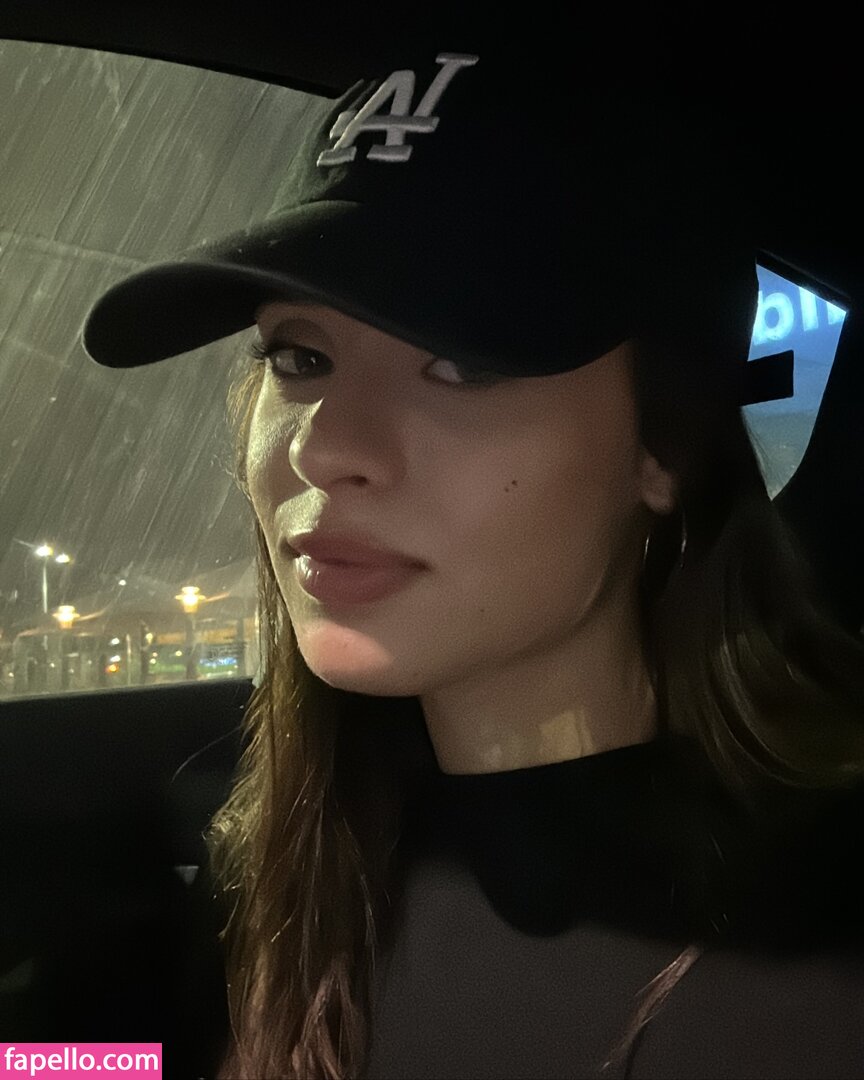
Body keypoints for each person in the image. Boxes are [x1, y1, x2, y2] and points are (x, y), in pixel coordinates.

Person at [83, 50, 864, 1080]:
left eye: (461, 363)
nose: (323, 446)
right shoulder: (275, 861)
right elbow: (105, 1064)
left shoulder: (824, 944)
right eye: (300, 358)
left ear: (664, 447)